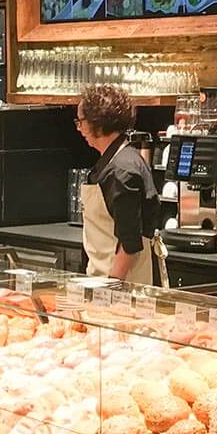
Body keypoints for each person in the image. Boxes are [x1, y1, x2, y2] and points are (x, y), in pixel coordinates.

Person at [74, 83, 167, 285]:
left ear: (95, 123)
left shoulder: (122, 170)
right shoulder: (117, 160)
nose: (79, 128)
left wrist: (112, 288)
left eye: (80, 121)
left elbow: (130, 243)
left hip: (124, 285)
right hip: (102, 278)